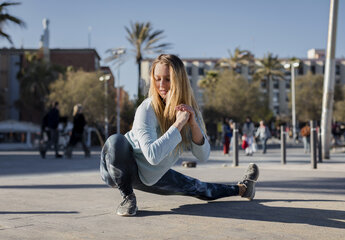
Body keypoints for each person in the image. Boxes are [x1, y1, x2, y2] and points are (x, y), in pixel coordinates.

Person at [100, 54, 259, 216]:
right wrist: (178, 124)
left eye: (168, 79)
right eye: (157, 79)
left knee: (197, 187)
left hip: (152, 175)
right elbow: (152, 156)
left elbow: (203, 156)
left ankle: (244, 188)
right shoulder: (146, 109)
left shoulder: (189, 111)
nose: (161, 85)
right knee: (115, 141)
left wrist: (193, 124)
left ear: (179, 80)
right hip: (119, 168)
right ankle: (128, 198)